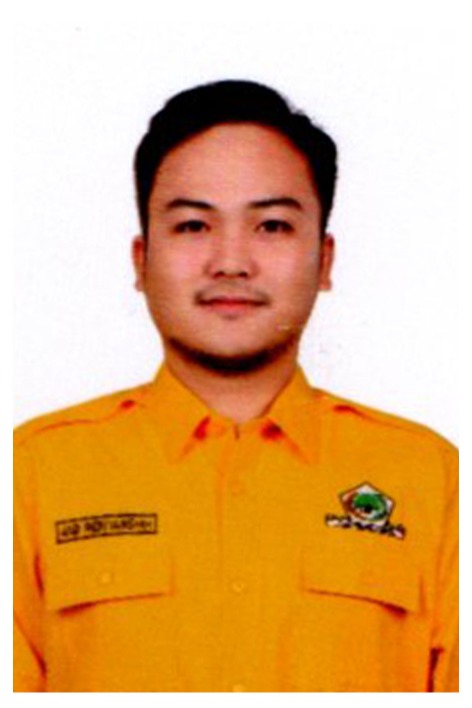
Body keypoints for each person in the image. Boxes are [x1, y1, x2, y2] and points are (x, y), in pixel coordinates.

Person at [13, 80, 458, 692]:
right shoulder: (32, 475)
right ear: (141, 260)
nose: (230, 262)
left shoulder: (433, 479)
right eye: (193, 225)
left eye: (271, 225)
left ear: (325, 260)